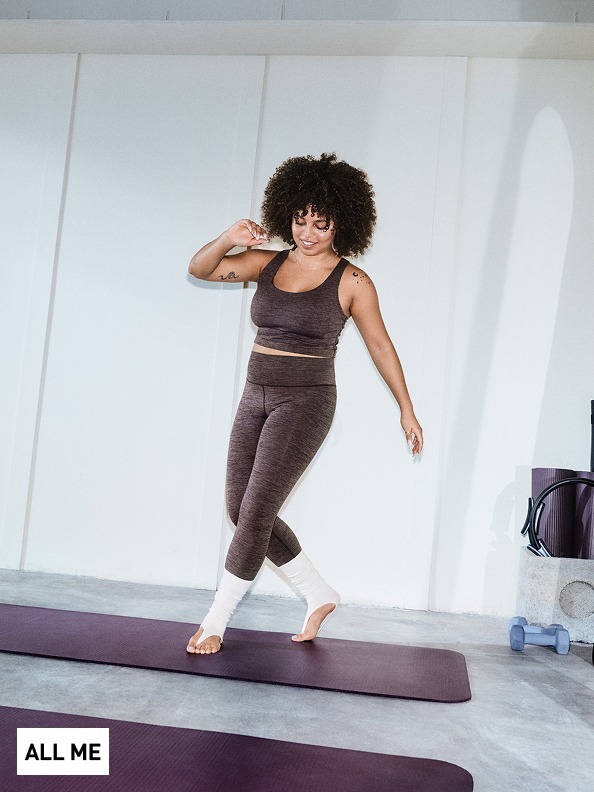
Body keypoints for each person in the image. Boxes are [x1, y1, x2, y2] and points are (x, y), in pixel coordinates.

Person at [186, 153, 423, 655]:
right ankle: (319, 593)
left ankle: (214, 621)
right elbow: (200, 268)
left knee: (255, 513)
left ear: (343, 225)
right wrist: (229, 237)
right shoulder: (267, 262)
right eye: (300, 220)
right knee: (240, 509)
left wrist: (406, 408)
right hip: (255, 393)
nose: (308, 232)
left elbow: (381, 346)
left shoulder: (353, 282)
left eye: (322, 223)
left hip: (306, 401)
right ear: (286, 214)